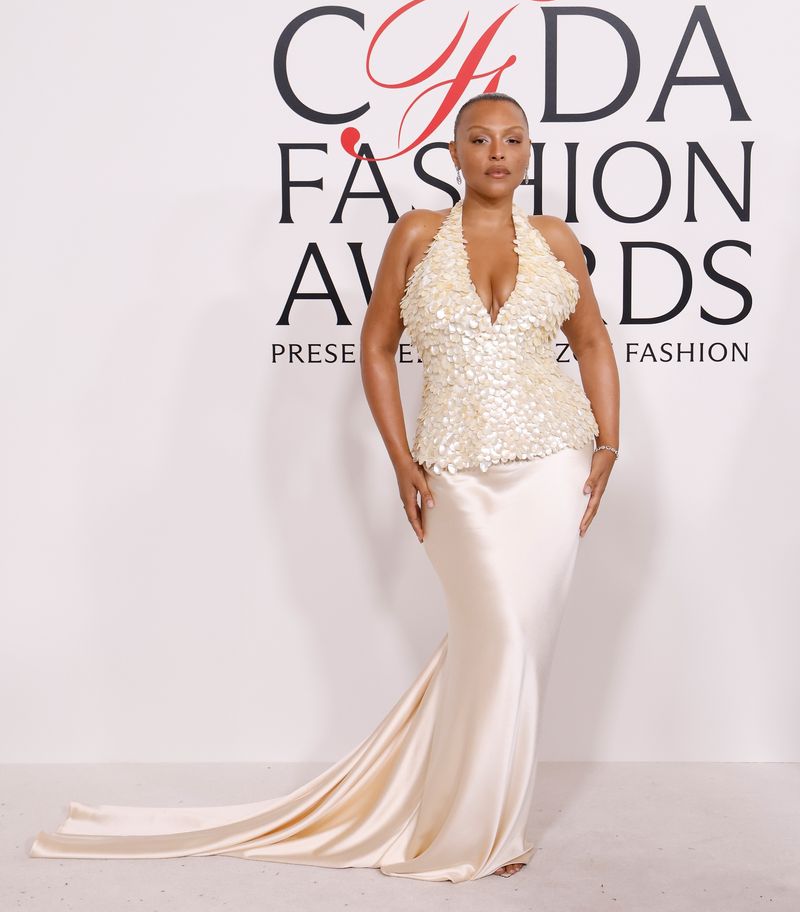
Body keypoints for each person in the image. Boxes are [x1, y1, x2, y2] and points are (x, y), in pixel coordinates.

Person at [27, 91, 620, 884]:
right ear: (452, 152)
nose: (498, 153)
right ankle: (462, 821)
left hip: (552, 464)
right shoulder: (415, 234)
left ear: (529, 152)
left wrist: (607, 445)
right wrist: (400, 459)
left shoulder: (554, 239)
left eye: (513, 139)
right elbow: (376, 347)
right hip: (455, 473)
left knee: (511, 647)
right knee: (497, 638)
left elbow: (590, 339)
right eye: (479, 139)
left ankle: (488, 824)